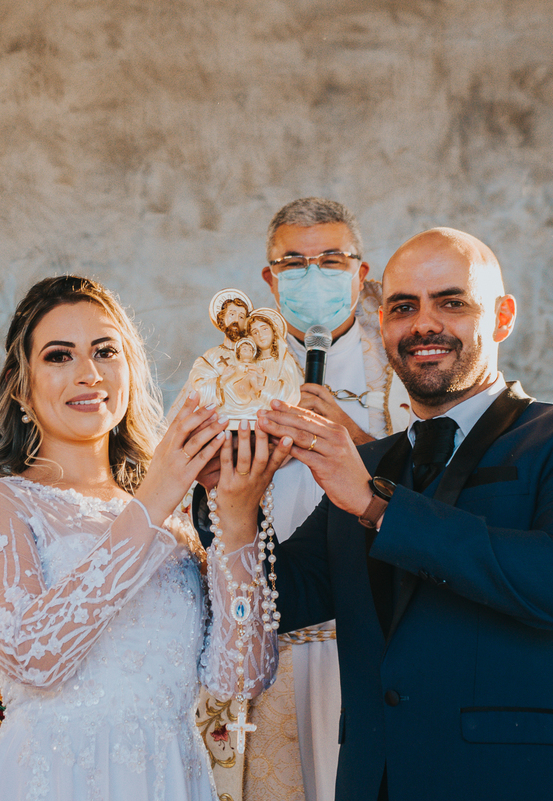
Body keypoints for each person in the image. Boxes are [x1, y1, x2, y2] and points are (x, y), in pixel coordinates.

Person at [242, 228, 553, 800]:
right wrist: (232, 496)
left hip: (526, 784)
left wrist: (378, 506)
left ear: (502, 318)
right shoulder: (371, 463)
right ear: (383, 328)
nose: (424, 324)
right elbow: (282, 597)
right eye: (403, 307)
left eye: (451, 302)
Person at [0, 275, 286, 800]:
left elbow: (241, 678)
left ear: (128, 368)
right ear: (21, 386)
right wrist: (152, 500)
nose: (88, 373)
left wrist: (237, 520)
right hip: (52, 780)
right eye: (59, 356)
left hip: (169, 779)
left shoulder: (178, 521)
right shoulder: (1, 505)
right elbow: (34, 659)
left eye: (105, 351)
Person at [195, 198, 404, 801]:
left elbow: (434, 492)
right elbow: (198, 510)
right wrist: (227, 478)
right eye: (294, 262)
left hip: (372, 642)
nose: (314, 275)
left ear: (360, 273)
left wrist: (357, 443)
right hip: (268, 643)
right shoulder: (227, 371)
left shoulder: (406, 369)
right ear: (269, 278)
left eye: (332, 259)